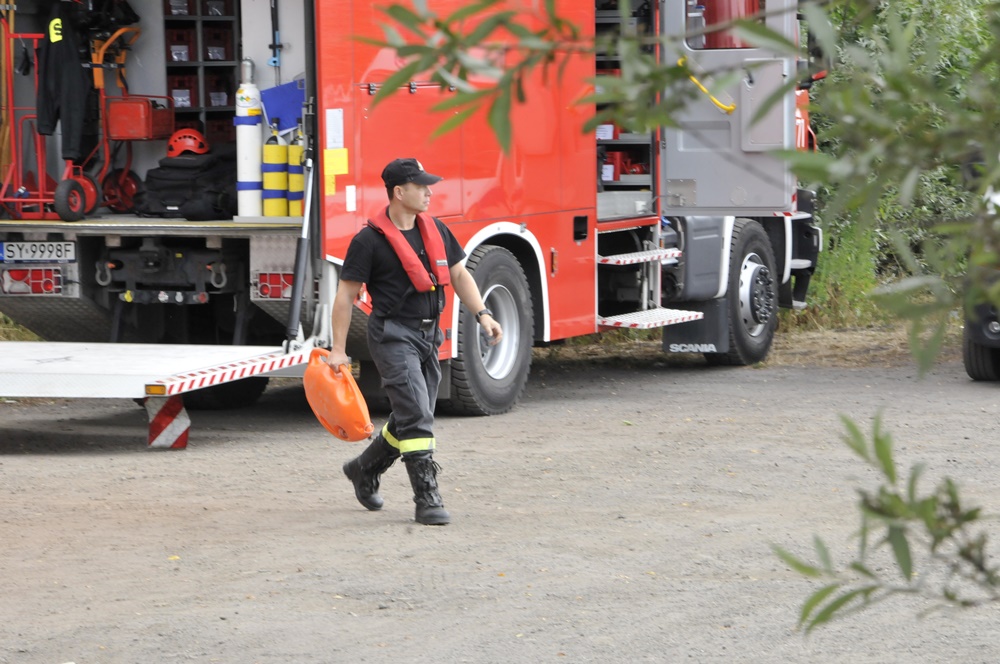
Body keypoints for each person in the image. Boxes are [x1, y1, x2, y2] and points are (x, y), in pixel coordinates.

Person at [326, 158, 503, 525]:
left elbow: (459, 275)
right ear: (398, 192)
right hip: (393, 336)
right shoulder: (368, 241)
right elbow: (345, 297)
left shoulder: (436, 229)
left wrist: (483, 314)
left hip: (429, 335)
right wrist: (338, 350)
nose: (429, 192)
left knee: (414, 412)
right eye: (421, 186)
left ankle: (364, 468)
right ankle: (427, 497)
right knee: (417, 415)